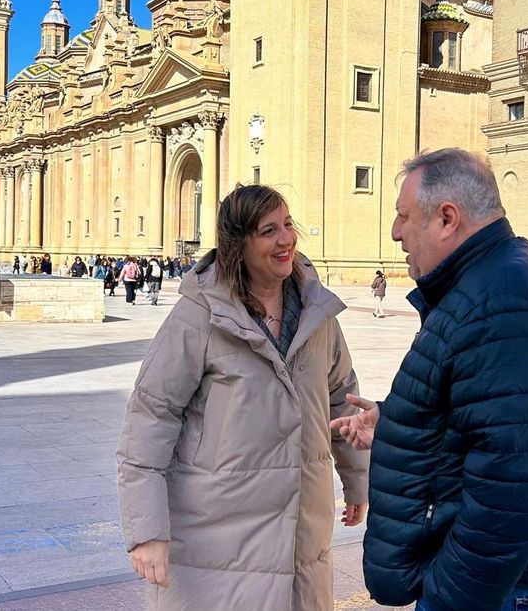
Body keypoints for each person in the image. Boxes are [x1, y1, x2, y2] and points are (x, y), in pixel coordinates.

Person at [330, 149, 528, 611]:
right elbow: (488, 415)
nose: (395, 232)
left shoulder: (506, 297)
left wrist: (448, 596)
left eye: (404, 216)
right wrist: (401, 424)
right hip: (499, 586)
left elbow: (515, 490)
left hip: (499, 590)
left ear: (447, 218)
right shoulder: (492, 281)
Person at [116, 184, 369, 610]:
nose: (286, 239)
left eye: (288, 225)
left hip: (301, 533)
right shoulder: (199, 316)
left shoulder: (316, 313)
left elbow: (341, 399)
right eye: (269, 231)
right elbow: (151, 418)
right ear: (239, 244)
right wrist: (147, 532)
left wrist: (357, 480)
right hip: (218, 537)